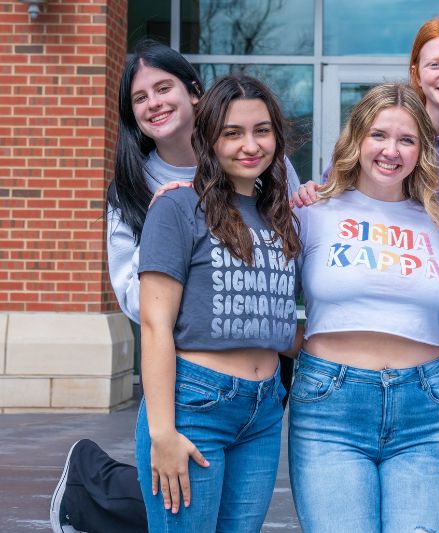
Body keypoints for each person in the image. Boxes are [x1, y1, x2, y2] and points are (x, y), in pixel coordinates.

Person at [50, 40, 300, 533]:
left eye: (163, 88)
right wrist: (178, 221)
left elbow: (285, 281)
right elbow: (145, 309)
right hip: (197, 391)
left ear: (195, 96)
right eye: (140, 98)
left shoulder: (272, 192)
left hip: (266, 402)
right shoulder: (149, 194)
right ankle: (89, 489)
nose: (154, 103)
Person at [288, 83, 439, 532]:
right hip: (331, 405)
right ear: (357, 139)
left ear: (422, 150)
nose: (391, 150)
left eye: (407, 139)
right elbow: (260, 284)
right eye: (379, 135)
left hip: (427, 408)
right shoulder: (312, 210)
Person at [135, 73, 300, 531]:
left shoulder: (281, 214)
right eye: (232, 133)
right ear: (209, 139)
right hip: (193, 407)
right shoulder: (177, 208)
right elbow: (154, 325)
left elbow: (275, 318)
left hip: (265, 411)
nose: (250, 145)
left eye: (261, 130)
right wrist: (162, 433)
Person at [293, 16, 439, 229]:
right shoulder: (384, 142)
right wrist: (314, 193)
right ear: (416, 75)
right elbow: (335, 200)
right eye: (434, 65)